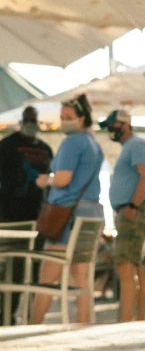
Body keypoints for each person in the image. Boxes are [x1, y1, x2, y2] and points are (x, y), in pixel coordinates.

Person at [32, 95, 104, 324]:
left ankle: (30, 328)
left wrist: (46, 180)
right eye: (62, 117)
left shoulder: (72, 142)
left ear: (82, 118)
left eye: (69, 118)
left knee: (48, 276)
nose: (64, 122)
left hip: (66, 216)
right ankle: (84, 326)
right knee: (82, 277)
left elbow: (62, 179)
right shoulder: (94, 144)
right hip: (90, 214)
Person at [0, 105, 53, 324]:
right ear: (22, 120)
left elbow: (52, 182)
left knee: (32, 269)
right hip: (11, 217)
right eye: (28, 118)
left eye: (34, 118)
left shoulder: (45, 148)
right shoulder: (6, 146)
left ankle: (25, 317)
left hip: (38, 218)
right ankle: (7, 316)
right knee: (12, 268)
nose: (31, 122)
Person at [101, 110, 145, 322]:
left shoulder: (136, 144)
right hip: (132, 211)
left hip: (133, 211)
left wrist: (132, 205)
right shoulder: (130, 147)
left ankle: (127, 321)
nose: (110, 129)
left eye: (113, 124)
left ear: (125, 123)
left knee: (125, 264)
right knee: (139, 265)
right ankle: (139, 319)